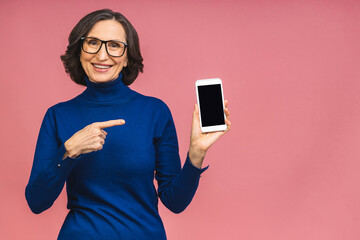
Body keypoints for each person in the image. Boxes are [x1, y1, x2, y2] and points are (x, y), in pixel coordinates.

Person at [25, 9, 231, 239]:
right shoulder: (57, 116)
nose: (102, 55)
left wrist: (196, 154)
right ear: (79, 50)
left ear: (127, 57)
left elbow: (175, 202)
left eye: (114, 45)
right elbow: (37, 202)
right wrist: (68, 151)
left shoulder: (155, 111)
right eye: (92, 42)